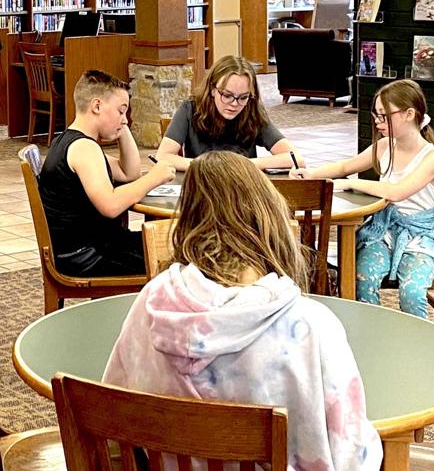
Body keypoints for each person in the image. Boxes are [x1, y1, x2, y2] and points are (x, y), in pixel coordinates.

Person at [103, 151, 383, 470]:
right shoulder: (312, 326)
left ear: (187, 218)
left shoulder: (152, 303)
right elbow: (353, 457)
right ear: (270, 216)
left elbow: (113, 413)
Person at [290, 79, 434, 318]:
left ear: (409, 114)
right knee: (362, 280)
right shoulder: (385, 146)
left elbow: (397, 192)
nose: (377, 121)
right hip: (383, 233)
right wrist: (310, 174)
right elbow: (345, 165)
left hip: (422, 239)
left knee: (412, 292)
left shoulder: (433, 157)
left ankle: (420, 345)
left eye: (384, 116)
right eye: (376, 115)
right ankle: (373, 336)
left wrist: (351, 182)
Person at [37, 70, 175, 277]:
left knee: (173, 245)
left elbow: (129, 172)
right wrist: (154, 177)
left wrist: (121, 125)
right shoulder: (83, 148)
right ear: (97, 106)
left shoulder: (70, 141)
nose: (125, 119)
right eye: (121, 111)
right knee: (174, 258)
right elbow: (110, 206)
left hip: (93, 248)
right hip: (89, 256)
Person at [156, 55, 304, 171]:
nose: (234, 104)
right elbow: (163, 156)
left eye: (243, 97)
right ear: (213, 89)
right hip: (202, 186)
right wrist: (211, 166)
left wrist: (244, 165)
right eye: (227, 95)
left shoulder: (251, 110)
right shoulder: (190, 109)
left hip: (242, 190)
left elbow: (296, 158)